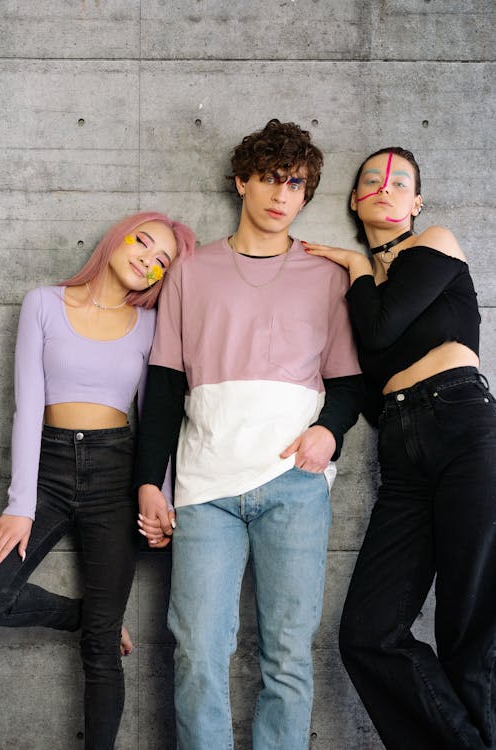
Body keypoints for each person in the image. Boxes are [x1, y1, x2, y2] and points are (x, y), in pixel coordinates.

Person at [134, 119, 363, 749]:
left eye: (294, 183)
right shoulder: (191, 271)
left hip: (295, 485)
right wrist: (148, 483)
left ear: (306, 193)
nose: (280, 193)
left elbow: (349, 382)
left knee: (287, 659)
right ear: (242, 182)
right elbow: (163, 387)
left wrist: (329, 434)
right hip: (205, 489)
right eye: (268, 177)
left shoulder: (326, 276)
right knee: (198, 653)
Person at [303, 147, 496, 750]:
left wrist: (358, 268)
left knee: (470, 626)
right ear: (356, 200)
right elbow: (362, 384)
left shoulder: (434, 243)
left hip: (465, 426)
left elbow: (384, 329)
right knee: (367, 632)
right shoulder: (359, 294)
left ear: (416, 203)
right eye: (370, 180)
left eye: (400, 181)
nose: (384, 187)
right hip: (400, 449)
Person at [0, 211, 195, 750]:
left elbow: (155, 417)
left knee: (101, 651)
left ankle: (100, 633)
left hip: (117, 471)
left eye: (161, 263)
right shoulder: (43, 302)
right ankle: (88, 617)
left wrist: (163, 496)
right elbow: (27, 405)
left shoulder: (154, 326)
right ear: (118, 237)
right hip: (48, 469)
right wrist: (21, 501)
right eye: (144, 243)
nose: (147, 261)